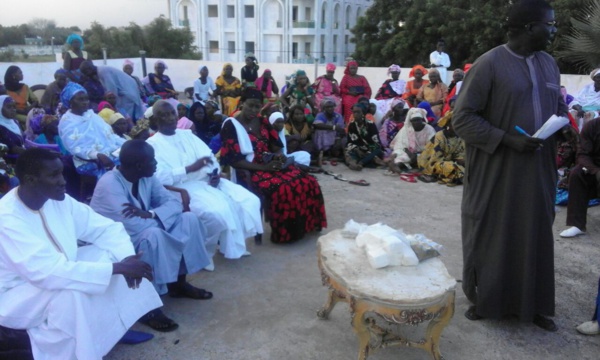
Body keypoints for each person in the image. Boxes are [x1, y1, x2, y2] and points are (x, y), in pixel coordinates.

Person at [452, 0, 568, 331]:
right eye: (550, 25)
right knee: (492, 231)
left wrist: (565, 125)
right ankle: (485, 299)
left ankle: (534, 305)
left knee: (534, 234)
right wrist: (506, 139)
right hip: (497, 168)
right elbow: (462, 119)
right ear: (530, 27)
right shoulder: (489, 64)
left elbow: (558, 104)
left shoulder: (550, 64)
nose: (553, 31)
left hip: (539, 167)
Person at [0, 148, 162, 359]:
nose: (63, 181)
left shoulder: (59, 200)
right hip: (17, 293)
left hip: (54, 274)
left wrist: (125, 258)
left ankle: (111, 330)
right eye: (54, 175)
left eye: (61, 172)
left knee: (107, 254)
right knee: (74, 293)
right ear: (31, 180)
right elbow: (46, 272)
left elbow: (105, 228)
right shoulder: (8, 218)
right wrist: (117, 269)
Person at [90, 140, 213, 330]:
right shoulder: (109, 185)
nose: (156, 164)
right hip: (119, 240)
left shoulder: (147, 176)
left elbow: (173, 204)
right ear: (139, 165)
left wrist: (151, 213)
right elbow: (133, 227)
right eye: (153, 160)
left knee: (189, 219)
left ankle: (178, 284)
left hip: (147, 227)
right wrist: (162, 219)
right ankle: (147, 307)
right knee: (153, 235)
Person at [147, 100, 263, 259]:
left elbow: (209, 157)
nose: (170, 118)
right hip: (182, 189)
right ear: (155, 120)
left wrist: (214, 173)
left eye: (172, 113)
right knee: (216, 213)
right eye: (164, 115)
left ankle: (231, 244)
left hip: (208, 182)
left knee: (249, 201)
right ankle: (204, 252)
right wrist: (187, 169)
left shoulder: (187, 135)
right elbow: (158, 177)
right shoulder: (152, 145)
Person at [220, 89, 327, 243]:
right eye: (250, 106)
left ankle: (304, 227)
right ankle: (285, 234)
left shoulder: (263, 122)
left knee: (308, 181)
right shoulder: (231, 125)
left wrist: (278, 156)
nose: (254, 110)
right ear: (242, 103)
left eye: (257, 107)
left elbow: (276, 145)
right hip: (251, 170)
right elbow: (233, 160)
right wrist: (265, 168)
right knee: (283, 188)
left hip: (270, 164)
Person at [58, 82, 125, 178]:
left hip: (108, 151)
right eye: (80, 99)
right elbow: (75, 147)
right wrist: (97, 155)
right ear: (70, 102)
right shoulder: (67, 122)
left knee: (132, 156)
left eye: (86, 99)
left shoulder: (92, 115)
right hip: (85, 160)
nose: (85, 102)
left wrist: (126, 144)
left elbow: (109, 135)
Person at [559, 117, 600, 238]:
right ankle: (577, 225)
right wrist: (596, 172)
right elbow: (582, 154)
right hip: (595, 169)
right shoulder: (592, 126)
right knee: (577, 174)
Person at [80, 61, 144, 121]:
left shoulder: (103, 72)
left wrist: (110, 105)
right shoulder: (101, 71)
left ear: (89, 69)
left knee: (124, 119)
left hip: (127, 94)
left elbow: (112, 91)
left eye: (86, 73)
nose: (87, 76)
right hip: (128, 92)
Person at [417, 111, 465, 186]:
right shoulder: (439, 136)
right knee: (451, 167)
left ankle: (458, 175)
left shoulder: (458, 137)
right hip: (432, 163)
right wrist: (455, 163)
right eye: (454, 123)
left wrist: (462, 160)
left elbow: (459, 153)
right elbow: (435, 158)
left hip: (448, 161)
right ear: (448, 124)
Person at [387, 107, 436, 174]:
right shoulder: (407, 129)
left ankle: (401, 166)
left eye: (418, 120)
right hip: (409, 152)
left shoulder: (429, 130)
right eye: (414, 120)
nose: (416, 122)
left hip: (424, 153)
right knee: (402, 157)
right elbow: (401, 144)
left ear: (422, 120)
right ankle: (396, 166)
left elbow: (432, 147)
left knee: (427, 159)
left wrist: (417, 155)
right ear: (411, 122)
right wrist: (409, 153)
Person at [345, 103, 384, 171]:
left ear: (363, 113)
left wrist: (367, 150)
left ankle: (361, 163)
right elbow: (350, 141)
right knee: (349, 152)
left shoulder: (371, 124)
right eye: (354, 112)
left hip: (370, 148)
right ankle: (356, 162)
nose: (355, 114)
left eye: (358, 112)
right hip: (357, 149)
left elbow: (376, 143)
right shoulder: (352, 124)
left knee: (378, 151)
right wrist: (357, 150)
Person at [0, 95, 25, 160]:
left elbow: (23, 141)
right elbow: (11, 149)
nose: (13, 110)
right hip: (8, 161)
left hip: (22, 156)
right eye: (9, 107)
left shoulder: (15, 122)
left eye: (14, 107)